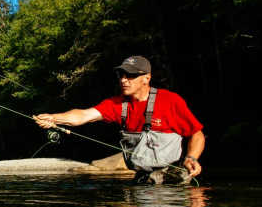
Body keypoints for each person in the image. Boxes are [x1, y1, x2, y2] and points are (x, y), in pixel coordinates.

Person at [34, 56, 204, 183]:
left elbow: (196, 134)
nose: (123, 80)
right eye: (121, 75)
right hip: (143, 181)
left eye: (130, 75)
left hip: (173, 180)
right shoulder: (117, 104)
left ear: (147, 78)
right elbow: (84, 115)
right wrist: (54, 118)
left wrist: (192, 158)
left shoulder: (170, 101)